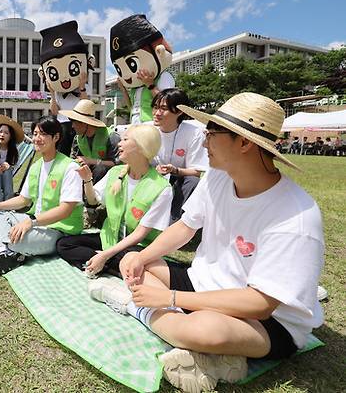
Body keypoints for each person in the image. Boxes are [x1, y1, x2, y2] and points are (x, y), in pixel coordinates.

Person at [90, 93, 324, 393]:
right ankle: (200, 345)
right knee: (132, 259)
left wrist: (171, 299)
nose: (203, 142)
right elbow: (186, 227)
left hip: (268, 321)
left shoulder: (296, 216)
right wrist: (141, 257)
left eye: (211, 134)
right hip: (205, 283)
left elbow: (261, 304)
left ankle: (132, 305)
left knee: (208, 330)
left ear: (244, 143)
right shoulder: (218, 176)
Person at [57, 124, 172, 276]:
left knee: (130, 258)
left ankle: (101, 263)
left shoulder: (162, 188)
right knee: (64, 244)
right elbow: (93, 201)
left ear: (141, 147)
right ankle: (111, 266)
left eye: (125, 139)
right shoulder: (116, 172)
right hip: (109, 238)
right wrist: (87, 180)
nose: (119, 143)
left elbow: (140, 235)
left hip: (137, 246)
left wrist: (105, 255)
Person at [0, 115, 84, 274]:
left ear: (56, 137)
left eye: (42, 134)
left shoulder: (69, 167)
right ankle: (4, 251)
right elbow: (23, 199)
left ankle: (5, 248)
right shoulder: (37, 166)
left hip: (60, 230)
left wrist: (32, 223)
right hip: (37, 221)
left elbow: (66, 210)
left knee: (18, 240)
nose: (37, 138)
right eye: (35, 134)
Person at [151, 89, 209, 223]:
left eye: (163, 109)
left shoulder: (194, 133)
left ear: (180, 111)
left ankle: (173, 223)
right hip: (152, 176)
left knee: (192, 181)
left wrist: (175, 170)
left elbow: (197, 171)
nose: (157, 113)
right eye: (155, 107)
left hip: (178, 178)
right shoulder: (146, 129)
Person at [38, 20, 94, 156]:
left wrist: (81, 87)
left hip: (79, 123)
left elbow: (86, 105)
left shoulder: (86, 87)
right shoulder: (57, 92)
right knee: (62, 153)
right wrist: (51, 93)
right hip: (62, 124)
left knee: (80, 154)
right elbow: (54, 112)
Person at [63, 99, 120, 183]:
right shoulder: (77, 138)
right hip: (87, 175)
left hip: (107, 179)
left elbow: (117, 163)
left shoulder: (111, 137)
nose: (72, 126)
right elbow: (73, 158)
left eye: (74, 122)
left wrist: (92, 161)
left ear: (84, 123)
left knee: (100, 168)